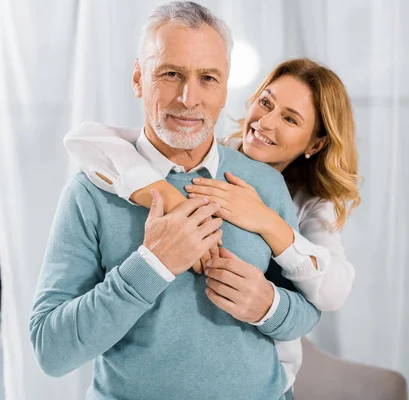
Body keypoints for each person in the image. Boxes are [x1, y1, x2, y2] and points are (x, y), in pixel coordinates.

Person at [30, 2, 320, 399]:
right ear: (138, 78)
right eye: (170, 74)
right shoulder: (90, 192)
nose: (189, 98)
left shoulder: (263, 185)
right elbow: (51, 350)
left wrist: (268, 305)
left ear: (225, 87)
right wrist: (152, 264)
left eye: (208, 78)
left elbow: (307, 313)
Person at [64, 53, 361, 393]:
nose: (265, 123)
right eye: (266, 103)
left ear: (317, 143)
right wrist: (168, 198)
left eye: (290, 119)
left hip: (267, 380)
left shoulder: (311, 204)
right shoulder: (199, 155)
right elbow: (85, 139)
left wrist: (266, 221)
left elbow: (332, 291)